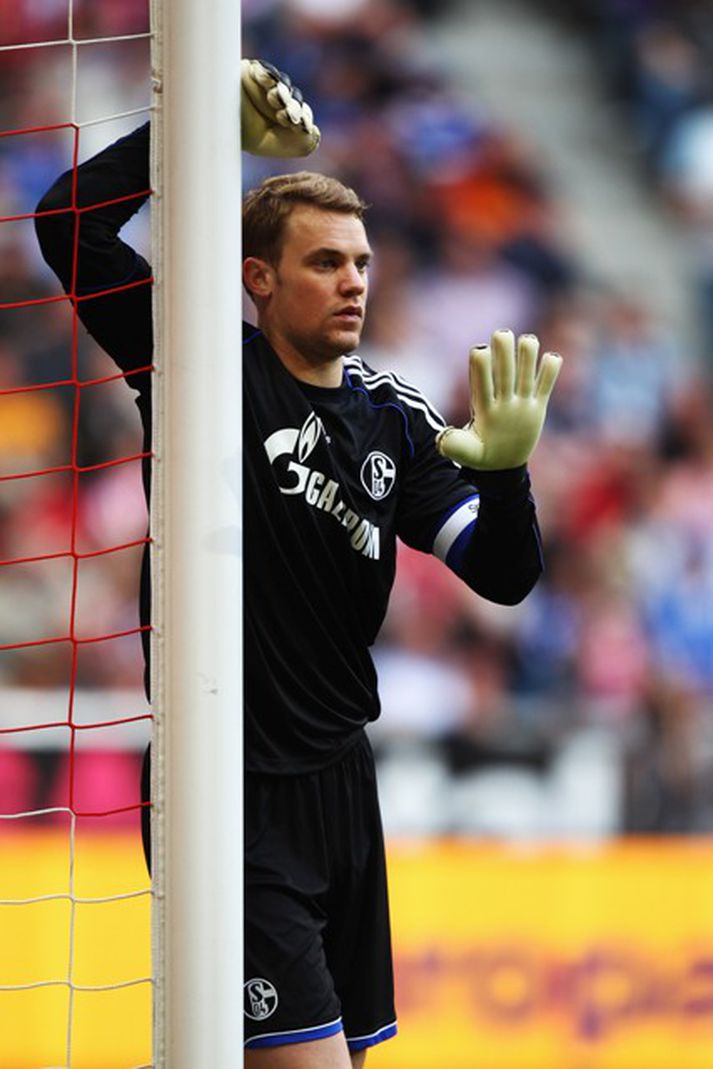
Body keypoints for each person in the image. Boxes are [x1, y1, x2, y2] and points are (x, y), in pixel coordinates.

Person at [35, 61, 561, 1069]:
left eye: (361, 262)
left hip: (341, 790)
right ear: (257, 278)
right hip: (224, 787)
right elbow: (68, 228)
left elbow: (502, 575)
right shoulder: (195, 364)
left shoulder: (392, 419)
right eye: (324, 262)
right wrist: (193, 133)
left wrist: (506, 476)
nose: (353, 281)